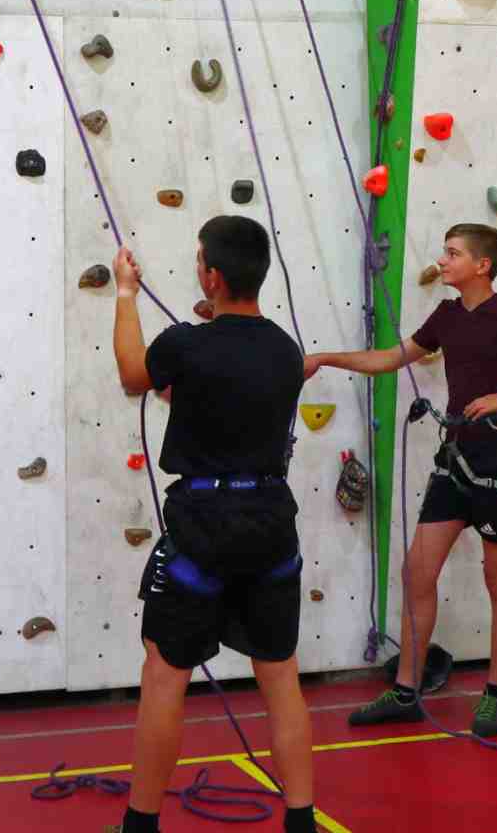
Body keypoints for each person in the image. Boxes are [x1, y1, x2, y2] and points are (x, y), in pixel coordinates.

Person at [305, 223, 497, 738]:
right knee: (418, 571)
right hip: (455, 459)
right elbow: (390, 358)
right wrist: (325, 357)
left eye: (453, 253)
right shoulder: (446, 316)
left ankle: (496, 694)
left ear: (483, 265)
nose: (444, 259)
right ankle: (407, 691)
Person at [109, 216, 319, 833]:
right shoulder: (285, 350)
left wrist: (125, 293)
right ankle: (301, 821)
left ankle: (141, 825)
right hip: (271, 522)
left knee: (165, 671)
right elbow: (225, 399)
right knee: (279, 674)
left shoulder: (186, 344)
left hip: (204, 524)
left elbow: (132, 375)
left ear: (212, 275)